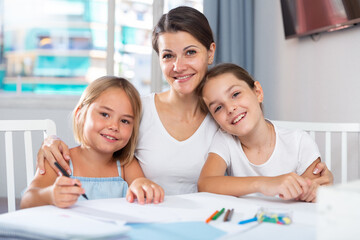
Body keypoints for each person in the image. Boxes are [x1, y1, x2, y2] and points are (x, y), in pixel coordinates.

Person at [34, 6, 332, 196]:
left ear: (210, 52)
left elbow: (263, 150)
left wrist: (312, 179)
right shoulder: (139, 109)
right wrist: (53, 142)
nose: (179, 66)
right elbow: (101, 139)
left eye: (190, 52)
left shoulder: (226, 116)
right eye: (168, 56)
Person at [21, 76, 164, 209]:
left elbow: (141, 187)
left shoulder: (126, 164)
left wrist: (142, 185)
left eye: (125, 121)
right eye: (105, 114)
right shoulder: (59, 160)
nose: (114, 126)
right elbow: (26, 201)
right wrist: (50, 195)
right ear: (79, 115)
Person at [196, 63, 328, 202]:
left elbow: (311, 196)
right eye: (218, 108)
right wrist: (263, 184)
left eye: (235, 94)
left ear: (258, 92)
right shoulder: (224, 140)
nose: (230, 108)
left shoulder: (299, 141)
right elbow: (205, 184)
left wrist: (312, 190)